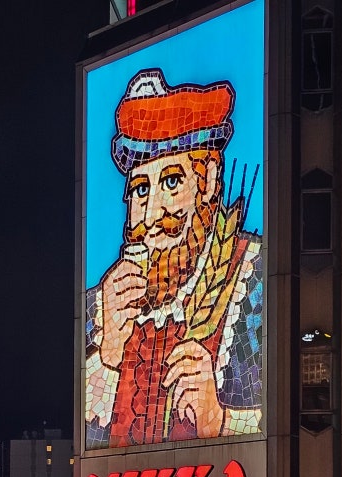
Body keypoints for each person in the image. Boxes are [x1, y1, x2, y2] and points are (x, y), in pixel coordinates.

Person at [84, 68, 262, 450]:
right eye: (140, 190)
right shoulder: (97, 306)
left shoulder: (256, 277)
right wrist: (108, 353)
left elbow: (298, 415)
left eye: (170, 182)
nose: (151, 215)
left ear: (208, 180)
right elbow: (80, 439)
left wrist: (221, 418)